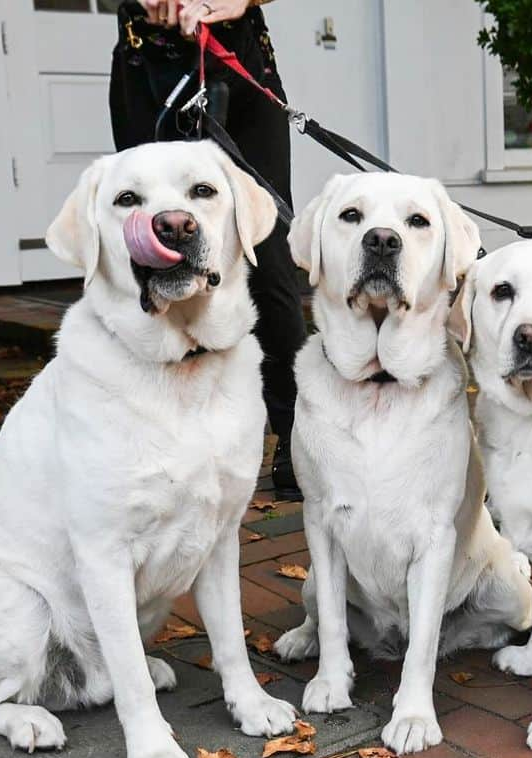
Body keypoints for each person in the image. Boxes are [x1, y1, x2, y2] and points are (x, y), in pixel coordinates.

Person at [109, 0, 305, 500]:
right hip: (145, 63)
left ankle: (295, 432)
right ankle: (164, 432)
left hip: (237, 62)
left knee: (265, 249)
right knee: (152, 247)